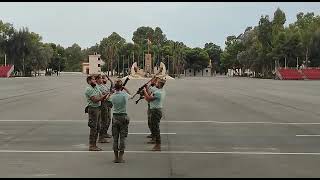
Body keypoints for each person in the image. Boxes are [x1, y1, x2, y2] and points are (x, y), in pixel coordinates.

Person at [108, 79, 131, 163]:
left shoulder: (112, 96)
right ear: (121, 87)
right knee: (122, 138)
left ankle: (116, 157)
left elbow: (108, 100)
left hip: (115, 117)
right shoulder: (124, 95)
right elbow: (130, 95)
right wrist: (125, 88)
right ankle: (121, 157)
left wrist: (112, 92)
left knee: (115, 138)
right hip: (123, 116)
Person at [85, 75, 110, 151]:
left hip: (98, 108)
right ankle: (92, 145)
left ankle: (94, 145)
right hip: (93, 109)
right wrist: (105, 96)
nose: (95, 81)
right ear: (89, 81)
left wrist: (106, 95)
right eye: (93, 79)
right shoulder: (89, 89)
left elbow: (101, 95)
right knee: (93, 127)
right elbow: (95, 99)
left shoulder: (95, 87)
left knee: (98, 127)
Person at [143, 78, 166, 151]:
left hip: (156, 111)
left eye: (157, 83)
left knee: (156, 128)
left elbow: (149, 99)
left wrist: (144, 92)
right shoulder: (159, 91)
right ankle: (156, 143)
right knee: (154, 127)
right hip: (155, 110)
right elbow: (150, 94)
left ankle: (158, 145)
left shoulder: (159, 93)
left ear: (159, 84)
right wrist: (146, 88)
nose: (156, 84)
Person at [146, 77, 160, 142]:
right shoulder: (152, 87)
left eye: (153, 81)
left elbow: (149, 95)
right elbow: (148, 90)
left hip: (153, 107)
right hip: (150, 106)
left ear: (156, 82)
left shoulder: (156, 89)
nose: (151, 81)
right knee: (149, 122)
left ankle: (154, 137)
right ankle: (152, 134)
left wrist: (145, 89)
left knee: (153, 123)